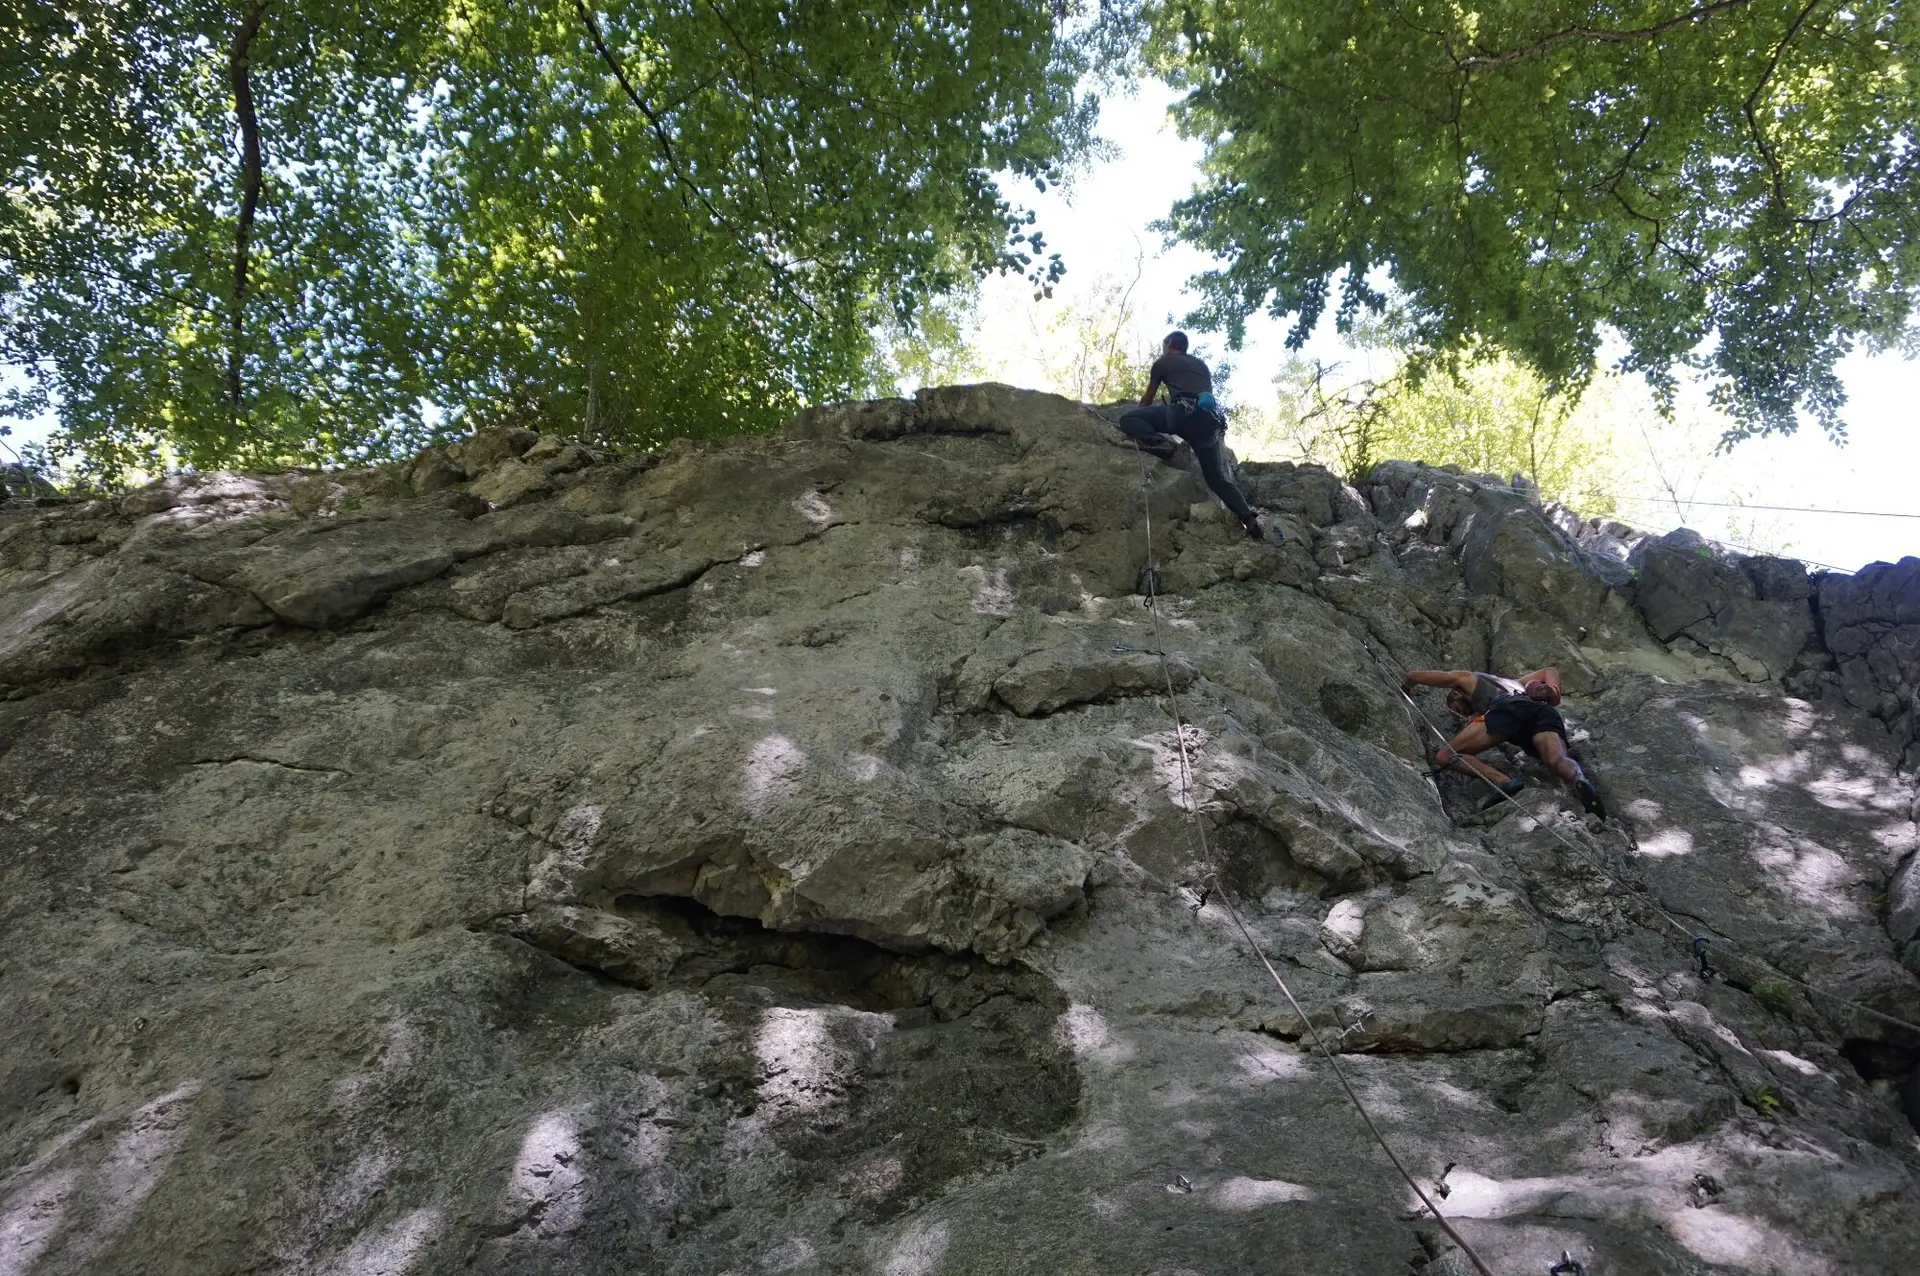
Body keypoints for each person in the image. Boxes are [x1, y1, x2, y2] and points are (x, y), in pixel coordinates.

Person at [1117, 332, 1269, 541]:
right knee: (1217, 480)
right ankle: (1249, 519)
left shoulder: (1164, 362)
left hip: (1181, 416)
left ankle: (1161, 444)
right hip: (1208, 426)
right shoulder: (1201, 367)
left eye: (1164, 344)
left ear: (1169, 344)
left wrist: (1142, 415)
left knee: (1128, 419)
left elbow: (1148, 399)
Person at [1400, 665, 1605, 817]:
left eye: (1462, 710)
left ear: (1456, 694)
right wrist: (1554, 691)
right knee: (1557, 761)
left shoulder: (1470, 680)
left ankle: (1503, 781)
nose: (1467, 715)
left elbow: (1442, 677)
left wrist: (1410, 680)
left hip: (1506, 710)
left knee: (1445, 756)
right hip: (1541, 712)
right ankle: (1578, 778)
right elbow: (1550, 669)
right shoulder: (1515, 683)